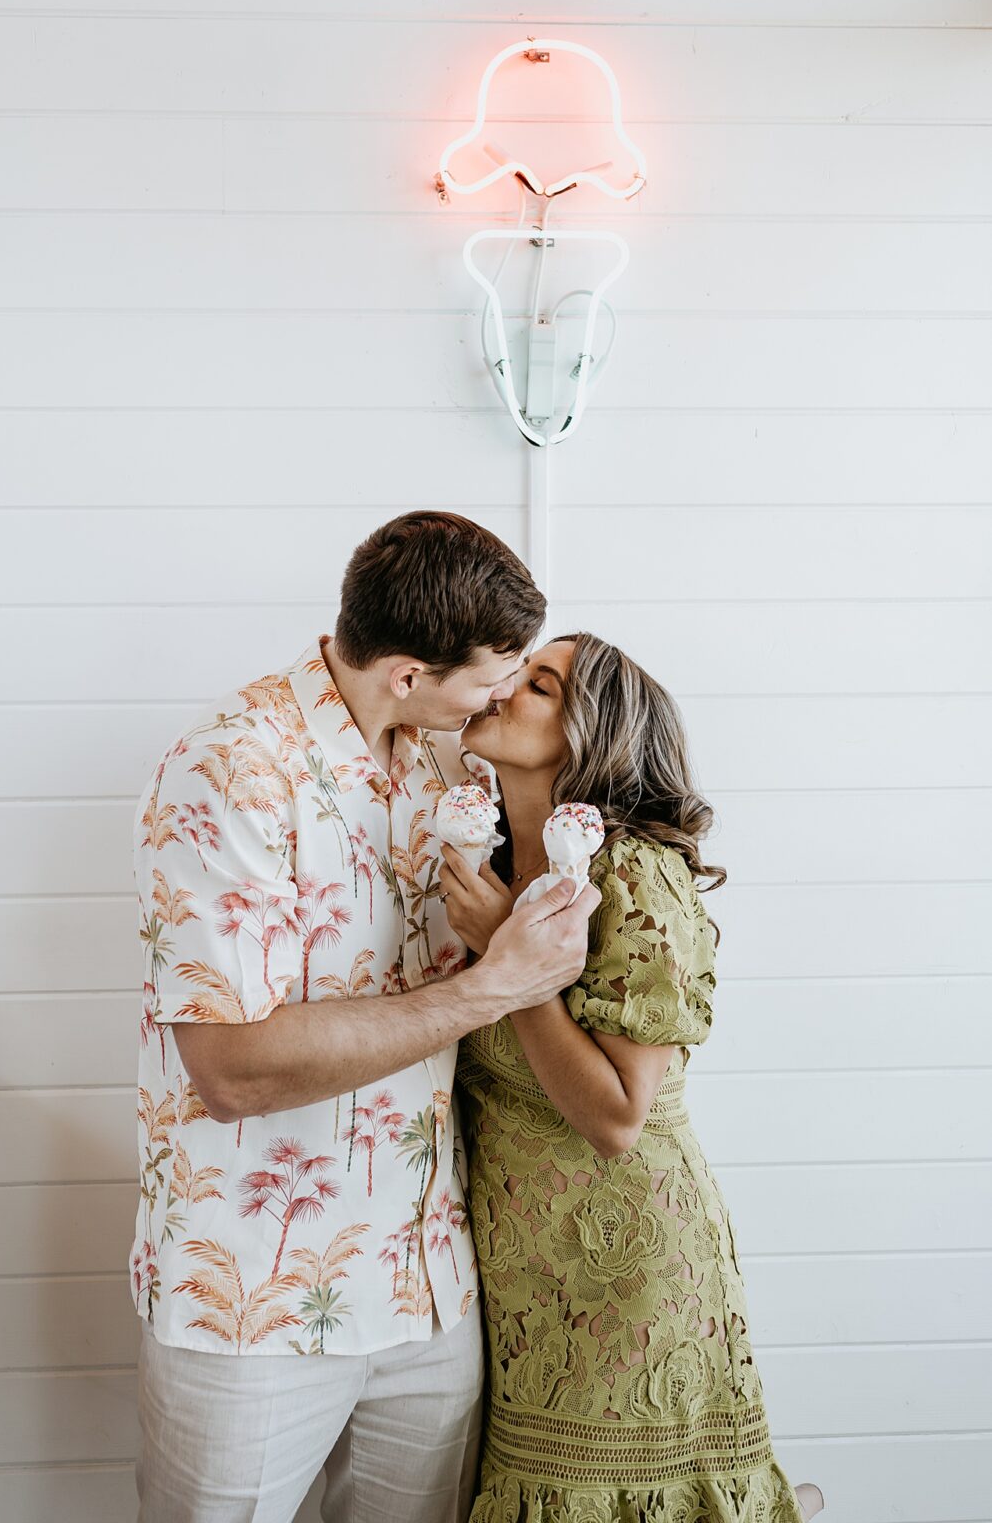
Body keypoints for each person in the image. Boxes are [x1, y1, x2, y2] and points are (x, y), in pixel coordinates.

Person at [130, 513, 599, 1523]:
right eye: (489, 678)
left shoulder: (452, 764)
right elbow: (232, 1067)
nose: (502, 698)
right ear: (403, 672)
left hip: (430, 1285)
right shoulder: (231, 768)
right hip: (251, 1302)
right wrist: (492, 988)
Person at [440, 632, 825, 1523]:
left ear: (590, 736)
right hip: (521, 1275)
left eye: (537, 685)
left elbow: (616, 1118)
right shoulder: (493, 866)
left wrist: (508, 957)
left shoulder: (633, 873)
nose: (504, 687)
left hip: (630, 1267)